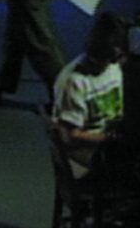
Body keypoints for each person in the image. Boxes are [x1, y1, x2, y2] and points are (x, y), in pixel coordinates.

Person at [52, 11, 131, 180]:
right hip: (84, 152)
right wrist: (108, 139)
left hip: (107, 138)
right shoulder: (74, 81)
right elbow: (70, 137)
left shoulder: (112, 65)